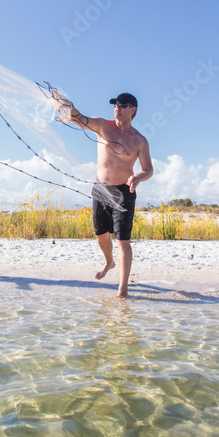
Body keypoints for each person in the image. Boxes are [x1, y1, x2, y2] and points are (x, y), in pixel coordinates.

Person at [58, 92, 153, 298]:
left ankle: (123, 289)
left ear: (132, 110)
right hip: (100, 189)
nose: (117, 107)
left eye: (122, 105)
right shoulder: (103, 126)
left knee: (123, 241)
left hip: (123, 193)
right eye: (115, 104)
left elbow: (148, 169)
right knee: (101, 235)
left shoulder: (139, 141)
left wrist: (137, 178)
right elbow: (80, 119)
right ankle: (109, 261)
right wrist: (66, 105)